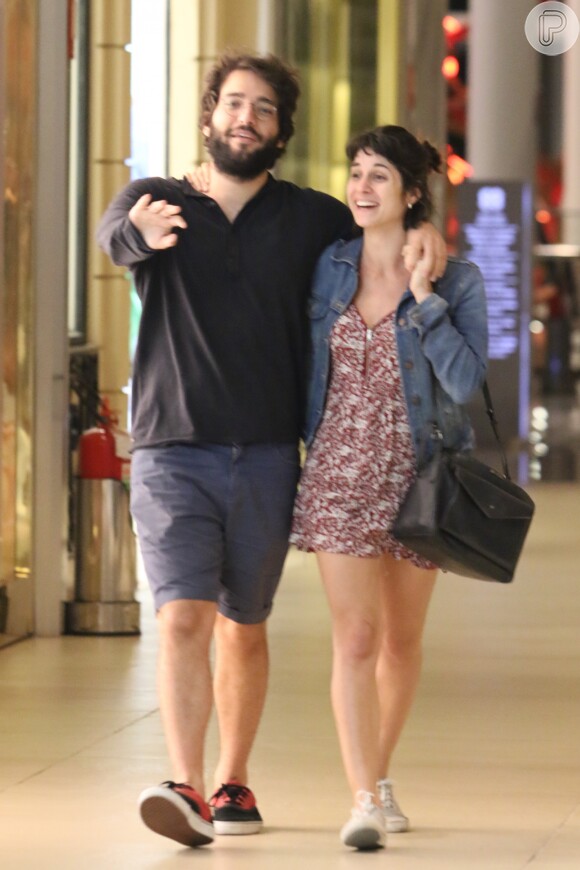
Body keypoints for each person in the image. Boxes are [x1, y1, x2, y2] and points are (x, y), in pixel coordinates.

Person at [97, 52, 447, 850]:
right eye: (232, 104)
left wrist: (428, 234)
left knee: (243, 623)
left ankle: (233, 777)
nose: (244, 118)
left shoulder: (310, 218)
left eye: (262, 109)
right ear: (209, 115)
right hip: (170, 446)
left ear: (282, 129)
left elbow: (381, 225)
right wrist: (134, 231)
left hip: (265, 450)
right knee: (182, 612)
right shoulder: (156, 200)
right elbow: (113, 238)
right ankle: (185, 783)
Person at [290, 125, 488, 851]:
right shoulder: (326, 268)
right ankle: (363, 797)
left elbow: (466, 383)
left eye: (380, 176)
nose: (362, 187)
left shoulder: (456, 278)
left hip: (420, 478)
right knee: (357, 637)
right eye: (356, 173)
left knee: (401, 644)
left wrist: (424, 296)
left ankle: (382, 771)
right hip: (339, 469)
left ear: (411, 194)